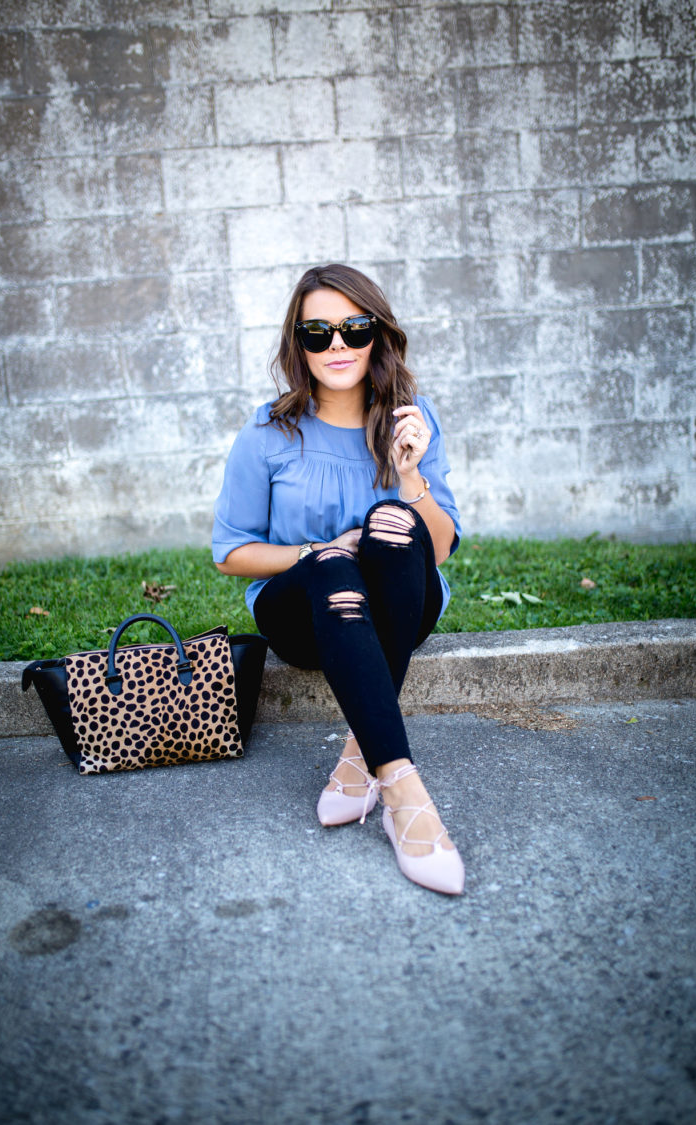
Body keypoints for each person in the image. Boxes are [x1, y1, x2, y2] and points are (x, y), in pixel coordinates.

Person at [212, 264, 464, 895]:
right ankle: (405, 794)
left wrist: (411, 481)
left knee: (391, 521)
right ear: (297, 343)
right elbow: (230, 552)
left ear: (376, 333)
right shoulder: (268, 431)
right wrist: (320, 549)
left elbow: (438, 549)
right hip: (304, 615)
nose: (338, 346)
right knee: (331, 563)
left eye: (353, 328)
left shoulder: (412, 418)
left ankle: (361, 755)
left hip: (402, 598)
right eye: (317, 333)